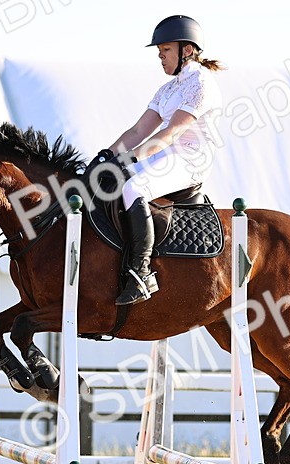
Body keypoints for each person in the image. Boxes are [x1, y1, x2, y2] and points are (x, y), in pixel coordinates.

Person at [99, 15, 225, 305]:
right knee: (108, 182)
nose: (160, 56)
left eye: (165, 50)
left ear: (187, 50)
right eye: (159, 51)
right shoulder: (168, 89)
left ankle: (141, 273)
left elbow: (172, 132)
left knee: (134, 187)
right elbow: (138, 131)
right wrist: (106, 155)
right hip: (165, 154)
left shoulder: (201, 83)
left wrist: (129, 158)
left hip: (191, 158)